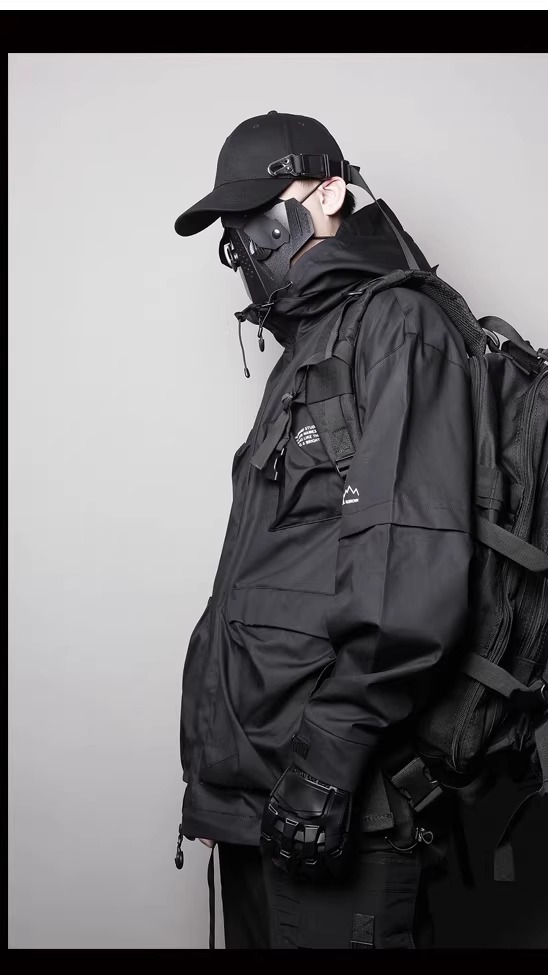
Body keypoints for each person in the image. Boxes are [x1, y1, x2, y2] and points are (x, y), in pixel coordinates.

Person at [173, 111, 475, 949]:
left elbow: (408, 573)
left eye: (264, 216)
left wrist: (325, 765)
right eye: (235, 234)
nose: (250, 247)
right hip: (259, 801)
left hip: (334, 800)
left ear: (332, 193)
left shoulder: (398, 326)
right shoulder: (311, 346)